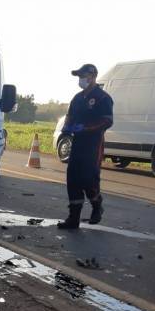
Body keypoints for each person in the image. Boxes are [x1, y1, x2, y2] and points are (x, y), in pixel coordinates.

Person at [58, 64, 113, 229]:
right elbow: (69, 115)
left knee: (89, 179)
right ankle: (73, 218)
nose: (81, 79)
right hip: (78, 143)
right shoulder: (77, 98)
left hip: (93, 144)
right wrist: (67, 127)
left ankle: (97, 206)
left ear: (93, 76)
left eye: (83, 76)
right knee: (73, 178)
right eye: (79, 76)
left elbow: (107, 120)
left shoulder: (103, 98)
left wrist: (86, 127)